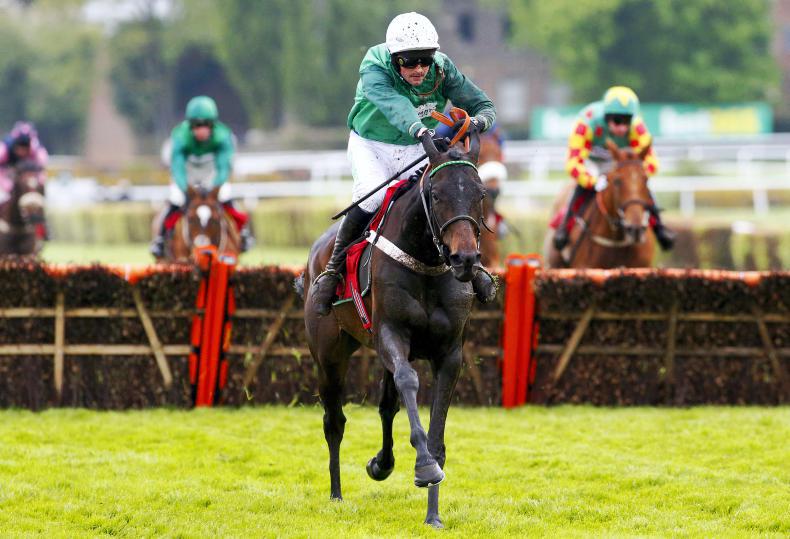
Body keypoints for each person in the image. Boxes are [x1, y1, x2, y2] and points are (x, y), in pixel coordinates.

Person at [311, 11, 498, 316]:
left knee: (438, 194)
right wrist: (420, 130)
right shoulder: (374, 66)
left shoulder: (442, 69)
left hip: (415, 145)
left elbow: (483, 104)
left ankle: (470, 265)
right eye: (410, 61)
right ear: (394, 58)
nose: (419, 68)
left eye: (425, 60)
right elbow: (397, 107)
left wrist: (479, 121)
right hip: (371, 145)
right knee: (372, 197)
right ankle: (332, 271)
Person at [552, 86, 675, 251]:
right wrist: (593, 182)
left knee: (638, 186)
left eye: (627, 121)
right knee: (581, 187)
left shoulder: (637, 126)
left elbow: (652, 162)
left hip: (622, 164)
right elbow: (573, 164)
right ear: (606, 118)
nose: (623, 128)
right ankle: (565, 228)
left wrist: (636, 177)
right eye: (617, 121)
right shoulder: (586, 123)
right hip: (592, 163)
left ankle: (659, 228)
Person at [150, 96, 253, 258]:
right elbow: (177, 167)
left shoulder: (223, 136)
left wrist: (215, 187)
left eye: (206, 125)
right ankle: (160, 239)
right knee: (175, 200)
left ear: (213, 125)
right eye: (197, 125)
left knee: (227, 196)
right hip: (186, 178)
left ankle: (244, 234)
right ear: (190, 125)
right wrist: (186, 189)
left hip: (212, 178)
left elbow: (223, 167)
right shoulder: (179, 136)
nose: (201, 130)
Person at [0, 122, 49, 238]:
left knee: (37, 201)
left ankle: (42, 230)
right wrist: (6, 184)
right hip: (7, 180)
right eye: (19, 148)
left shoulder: (37, 151)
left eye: (25, 148)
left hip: (26, 183)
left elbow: (42, 171)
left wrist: (38, 183)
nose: (22, 151)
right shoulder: (4, 149)